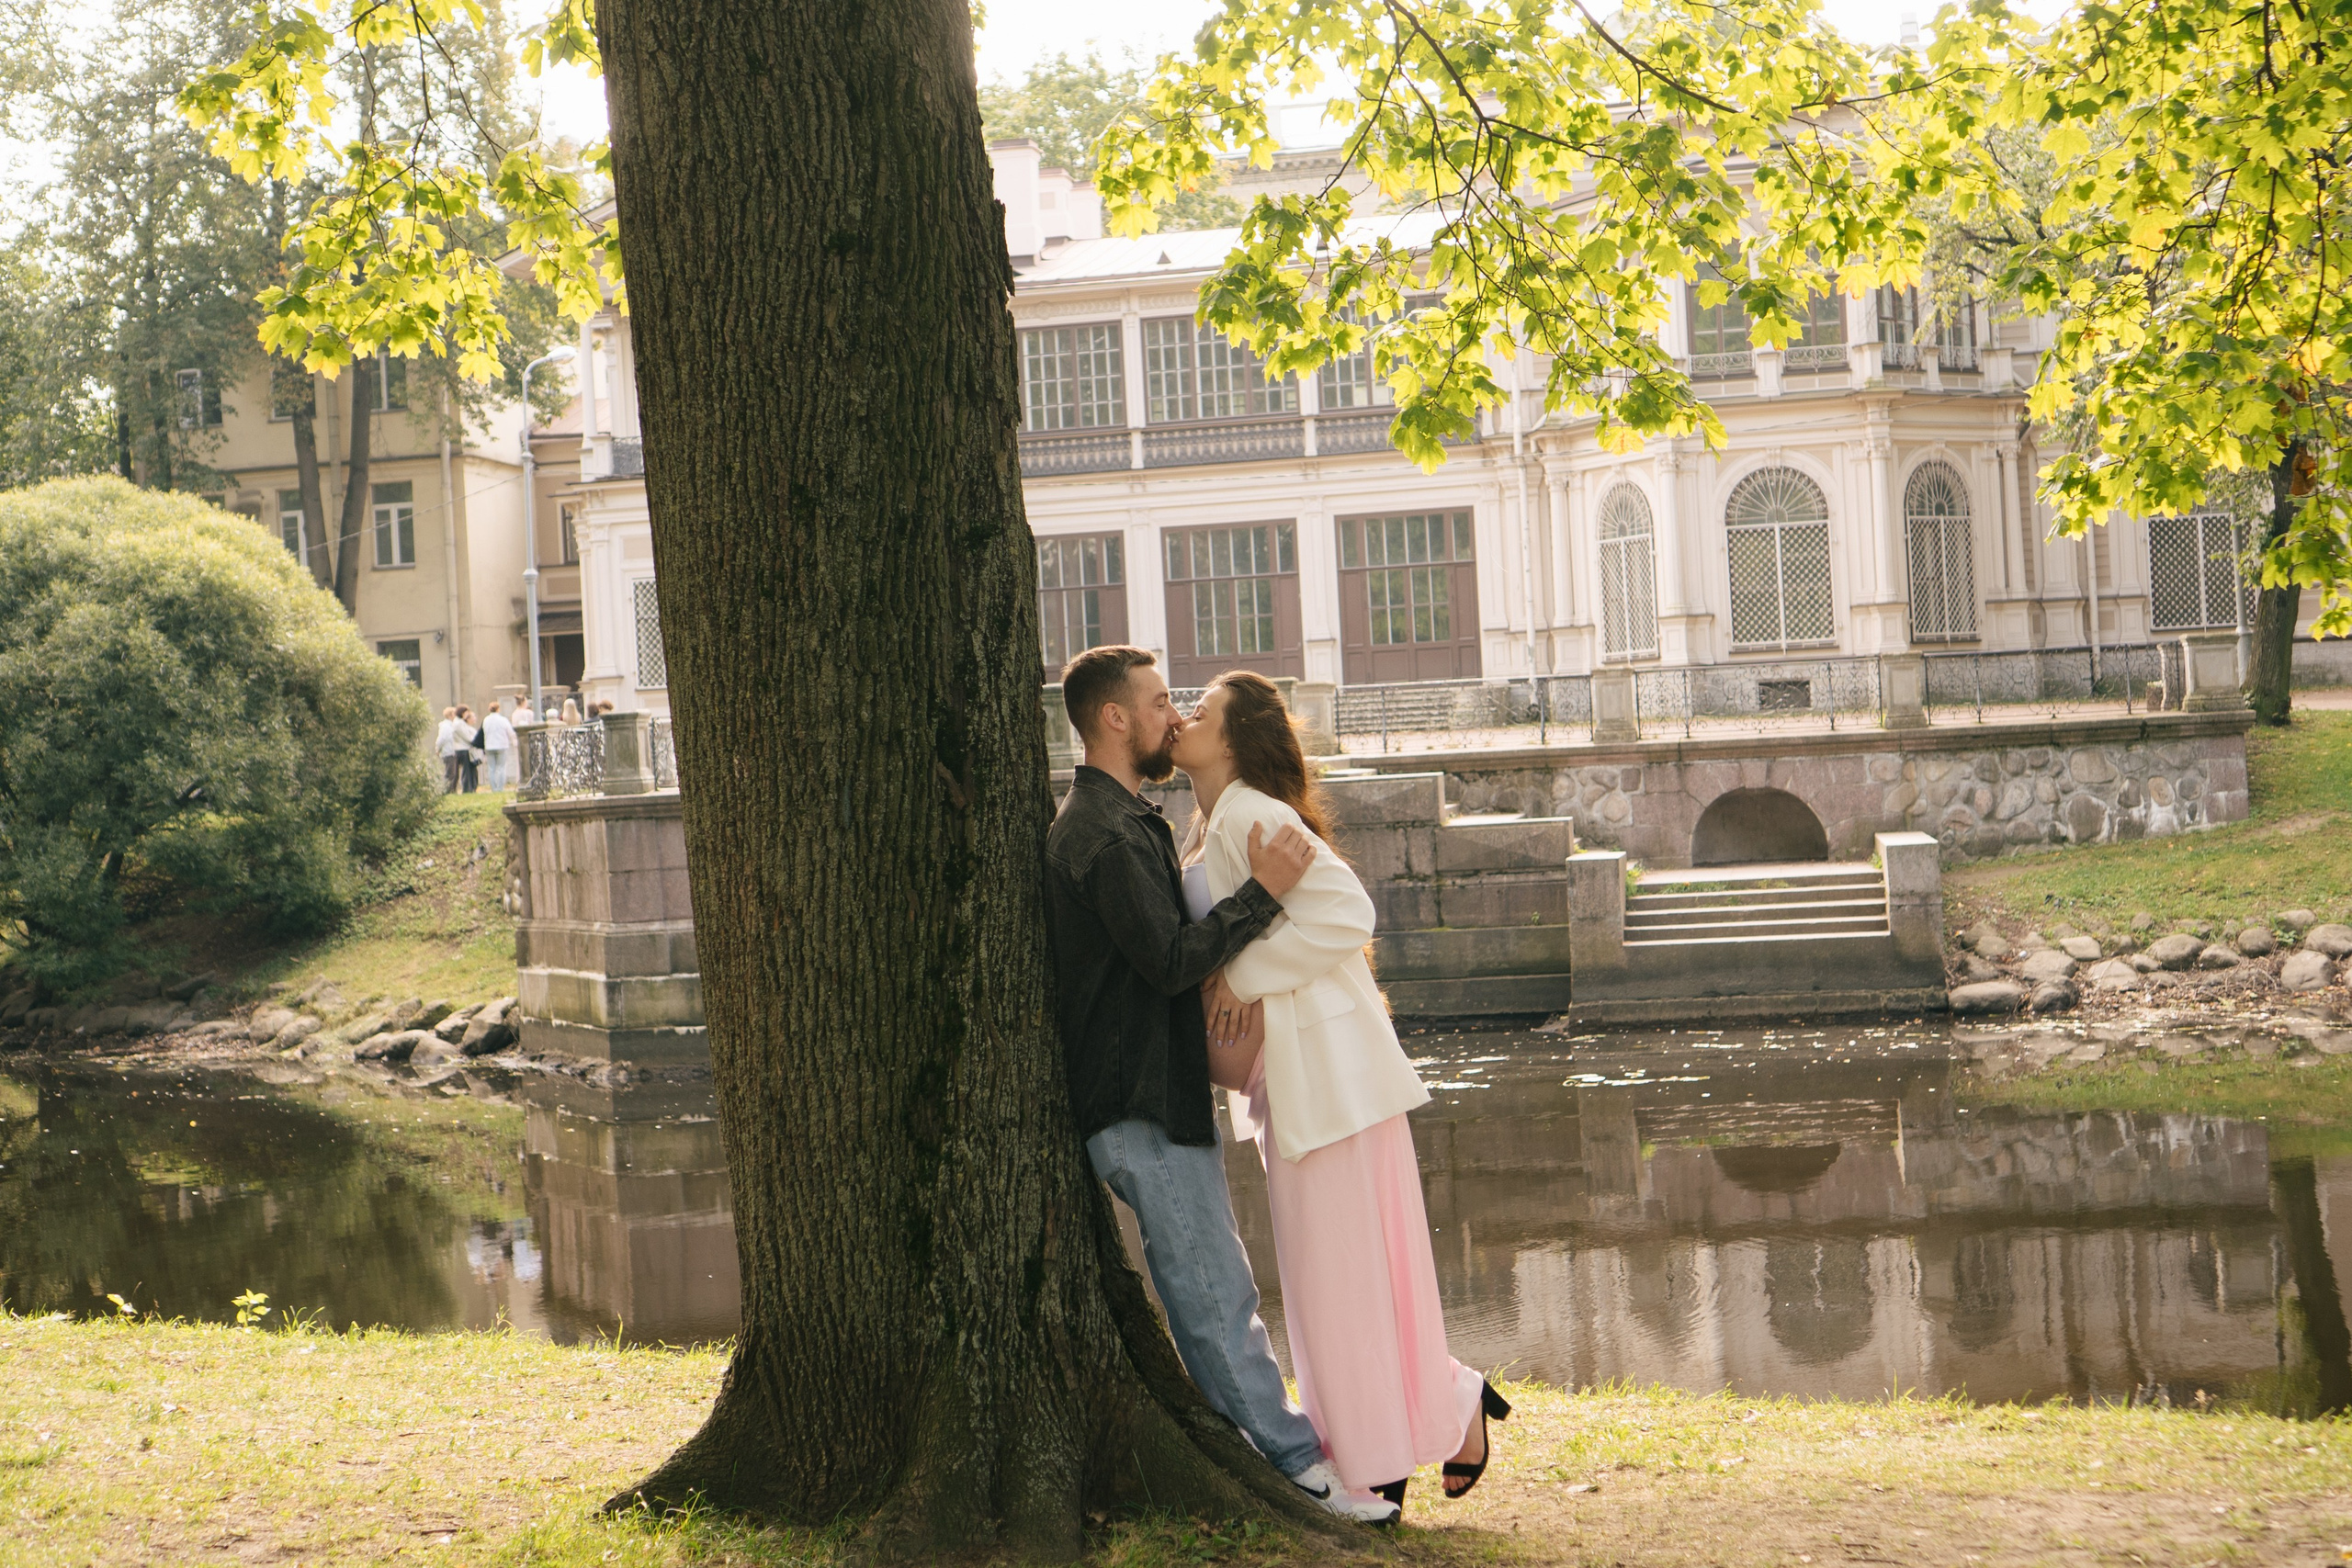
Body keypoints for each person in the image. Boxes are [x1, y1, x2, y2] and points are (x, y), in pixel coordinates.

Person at [1043, 646, 1397, 1528]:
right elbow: (1167, 960)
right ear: (1116, 719)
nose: (1174, 714)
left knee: (1216, 1286)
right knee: (1213, 1294)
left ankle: (1278, 1456)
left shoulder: (1132, 821)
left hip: (1156, 1097)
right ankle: (1301, 1472)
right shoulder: (1100, 830)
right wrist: (1263, 898)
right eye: (1161, 701)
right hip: (1135, 1104)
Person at [1175, 671, 1507, 1520]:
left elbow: (1350, 910)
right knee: (1350, 1280)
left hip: (1331, 1079)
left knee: (1345, 1281)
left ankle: (1383, 1451)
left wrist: (1241, 978)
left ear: (1237, 736)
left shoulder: (1250, 812)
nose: (1182, 717)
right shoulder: (1220, 821)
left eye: (1199, 711)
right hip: (1308, 1079)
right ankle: (1426, 1419)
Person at [481, 700, 516, 792]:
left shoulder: (486, 720)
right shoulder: (503, 720)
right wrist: (513, 739)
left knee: (491, 768)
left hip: (489, 745)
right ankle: (500, 788)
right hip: (501, 745)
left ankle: (493, 788)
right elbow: (510, 732)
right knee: (501, 767)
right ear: (498, 709)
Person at [435, 706, 463, 794]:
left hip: (453, 752)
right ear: (450, 715)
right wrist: (438, 749)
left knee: (455, 774)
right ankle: (446, 791)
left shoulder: (452, 725)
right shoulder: (445, 726)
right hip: (448, 752)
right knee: (450, 774)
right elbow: (441, 739)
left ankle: (453, 791)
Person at [455, 705, 482, 793]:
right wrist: (475, 741)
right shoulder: (458, 724)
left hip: (466, 749)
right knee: (466, 771)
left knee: (471, 770)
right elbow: (467, 736)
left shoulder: (461, 723)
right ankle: (467, 789)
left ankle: (472, 788)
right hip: (463, 749)